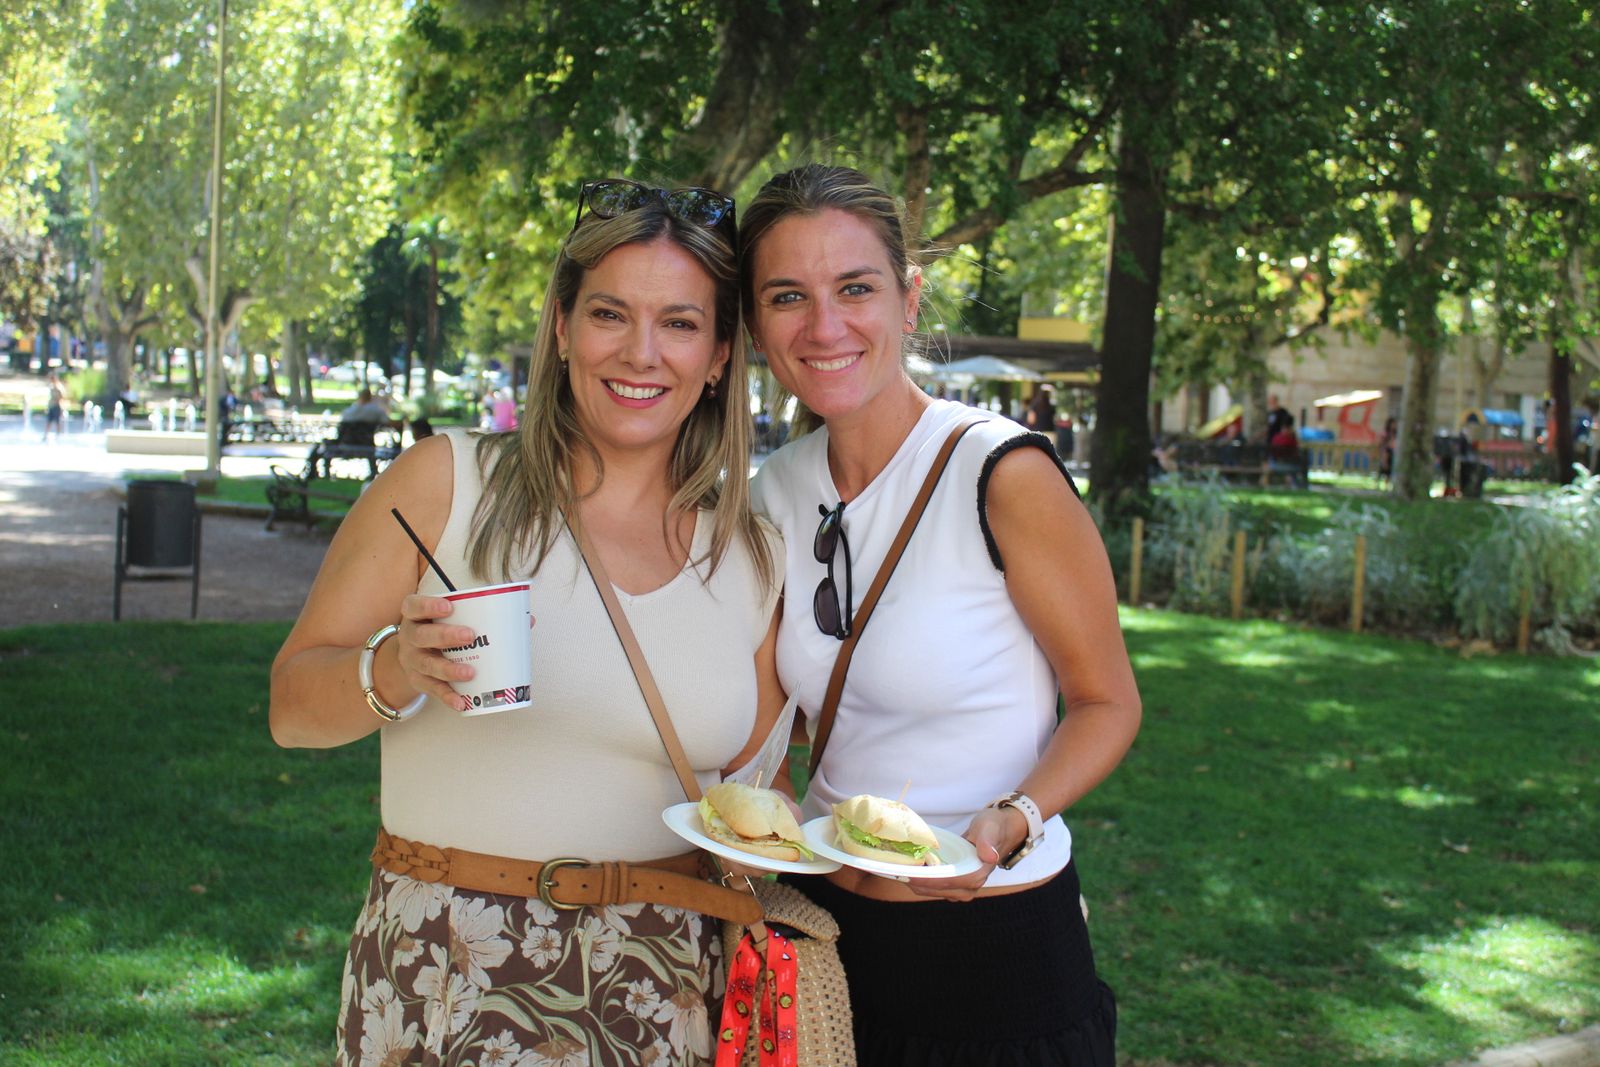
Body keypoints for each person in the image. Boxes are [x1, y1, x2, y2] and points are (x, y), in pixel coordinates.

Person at [270, 177, 785, 1066]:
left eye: (680, 323)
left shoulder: (753, 554)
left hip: (665, 991)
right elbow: (289, 706)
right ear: (561, 325)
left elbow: (749, 803)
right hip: (452, 967)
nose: (640, 352)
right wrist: (394, 671)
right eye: (609, 314)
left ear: (719, 356)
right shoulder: (447, 483)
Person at [741, 164, 1140, 1065]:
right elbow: (775, 726)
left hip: (997, 957)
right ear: (757, 324)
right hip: (828, 944)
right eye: (787, 297)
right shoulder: (774, 491)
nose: (825, 326)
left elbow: (1108, 701)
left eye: (856, 288)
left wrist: (1016, 815)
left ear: (908, 298)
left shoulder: (1002, 473)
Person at [43, 372, 65, 442]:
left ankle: (58, 435)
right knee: (49, 421)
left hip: (56, 406)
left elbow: (62, 397)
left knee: (57, 422)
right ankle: (46, 435)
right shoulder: (51, 387)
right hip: (51, 406)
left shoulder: (59, 387)